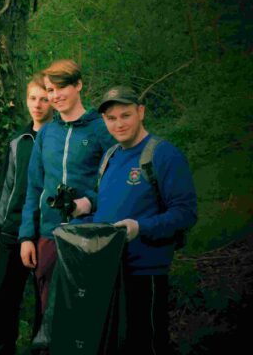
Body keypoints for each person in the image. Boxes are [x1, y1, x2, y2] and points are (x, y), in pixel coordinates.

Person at [93, 86, 197, 354]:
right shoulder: (110, 156)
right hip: (108, 271)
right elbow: (109, 205)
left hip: (145, 271)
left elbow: (186, 213)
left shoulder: (164, 155)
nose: (118, 124)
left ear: (141, 112)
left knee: (146, 343)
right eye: (111, 118)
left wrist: (140, 227)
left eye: (125, 115)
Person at [18, 60, 116, 328]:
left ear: (78, 85)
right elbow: (33, 188)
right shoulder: (46, 133)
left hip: (89, 234)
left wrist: (90, 202)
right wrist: (26, 236)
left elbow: (116, 183)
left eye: (61, 88)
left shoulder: (101, 129)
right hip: (48, 234)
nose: (55, 96)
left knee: (85, 314)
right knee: (49, 311)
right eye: (50, 90)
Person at [0, 74, 53, 354]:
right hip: (12, 230)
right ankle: (4, 348)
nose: (37, 105)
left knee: (44, 301)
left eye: (44, 99)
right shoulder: (18, 141)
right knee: (4, 298)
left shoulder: (59, 139)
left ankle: (41, 349)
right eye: (33, 98)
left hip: (45, 231)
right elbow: (6, 188)